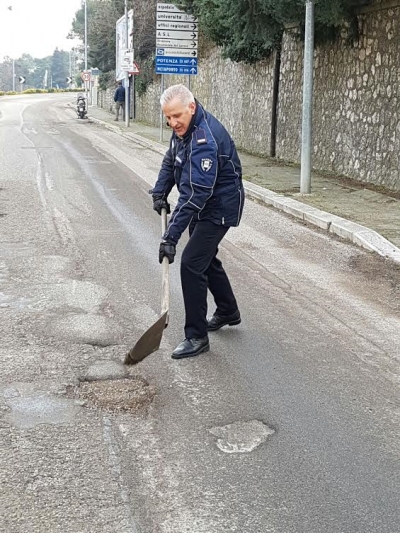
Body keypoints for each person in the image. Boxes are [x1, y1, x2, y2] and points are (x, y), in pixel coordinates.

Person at [152, 84, 245, 360]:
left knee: (192, 262)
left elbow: (195, 195)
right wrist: (160, 191)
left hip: (219, 207)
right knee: (205, 258)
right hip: (205, 203)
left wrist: (170, 237)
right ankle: (228, 310)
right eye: (167, 117)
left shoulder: (205, 139)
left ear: (191, 107)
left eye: (177, 115)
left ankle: (196, 336)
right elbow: (171, 159)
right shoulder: (183, 129)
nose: (173, 122)